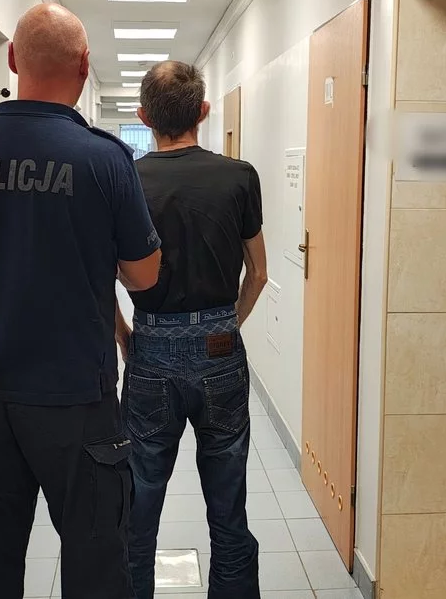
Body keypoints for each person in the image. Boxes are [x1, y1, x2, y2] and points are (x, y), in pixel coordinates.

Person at [0, 2, 162, 599]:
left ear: (11, 58)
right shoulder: (105, 160)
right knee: (96, 566)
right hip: (76, 401)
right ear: (84, 64)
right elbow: (145, 276)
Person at [115, 61, 269, 599]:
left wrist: (127, 337)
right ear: (203, 112)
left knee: (138, 508)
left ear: (143, 117)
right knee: (228, 508)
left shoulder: (126, 180)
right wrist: (225, 328)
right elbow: (259, 274)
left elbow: (97, 277)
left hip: (150, 349)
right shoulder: (239, 176)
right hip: (221, 350)